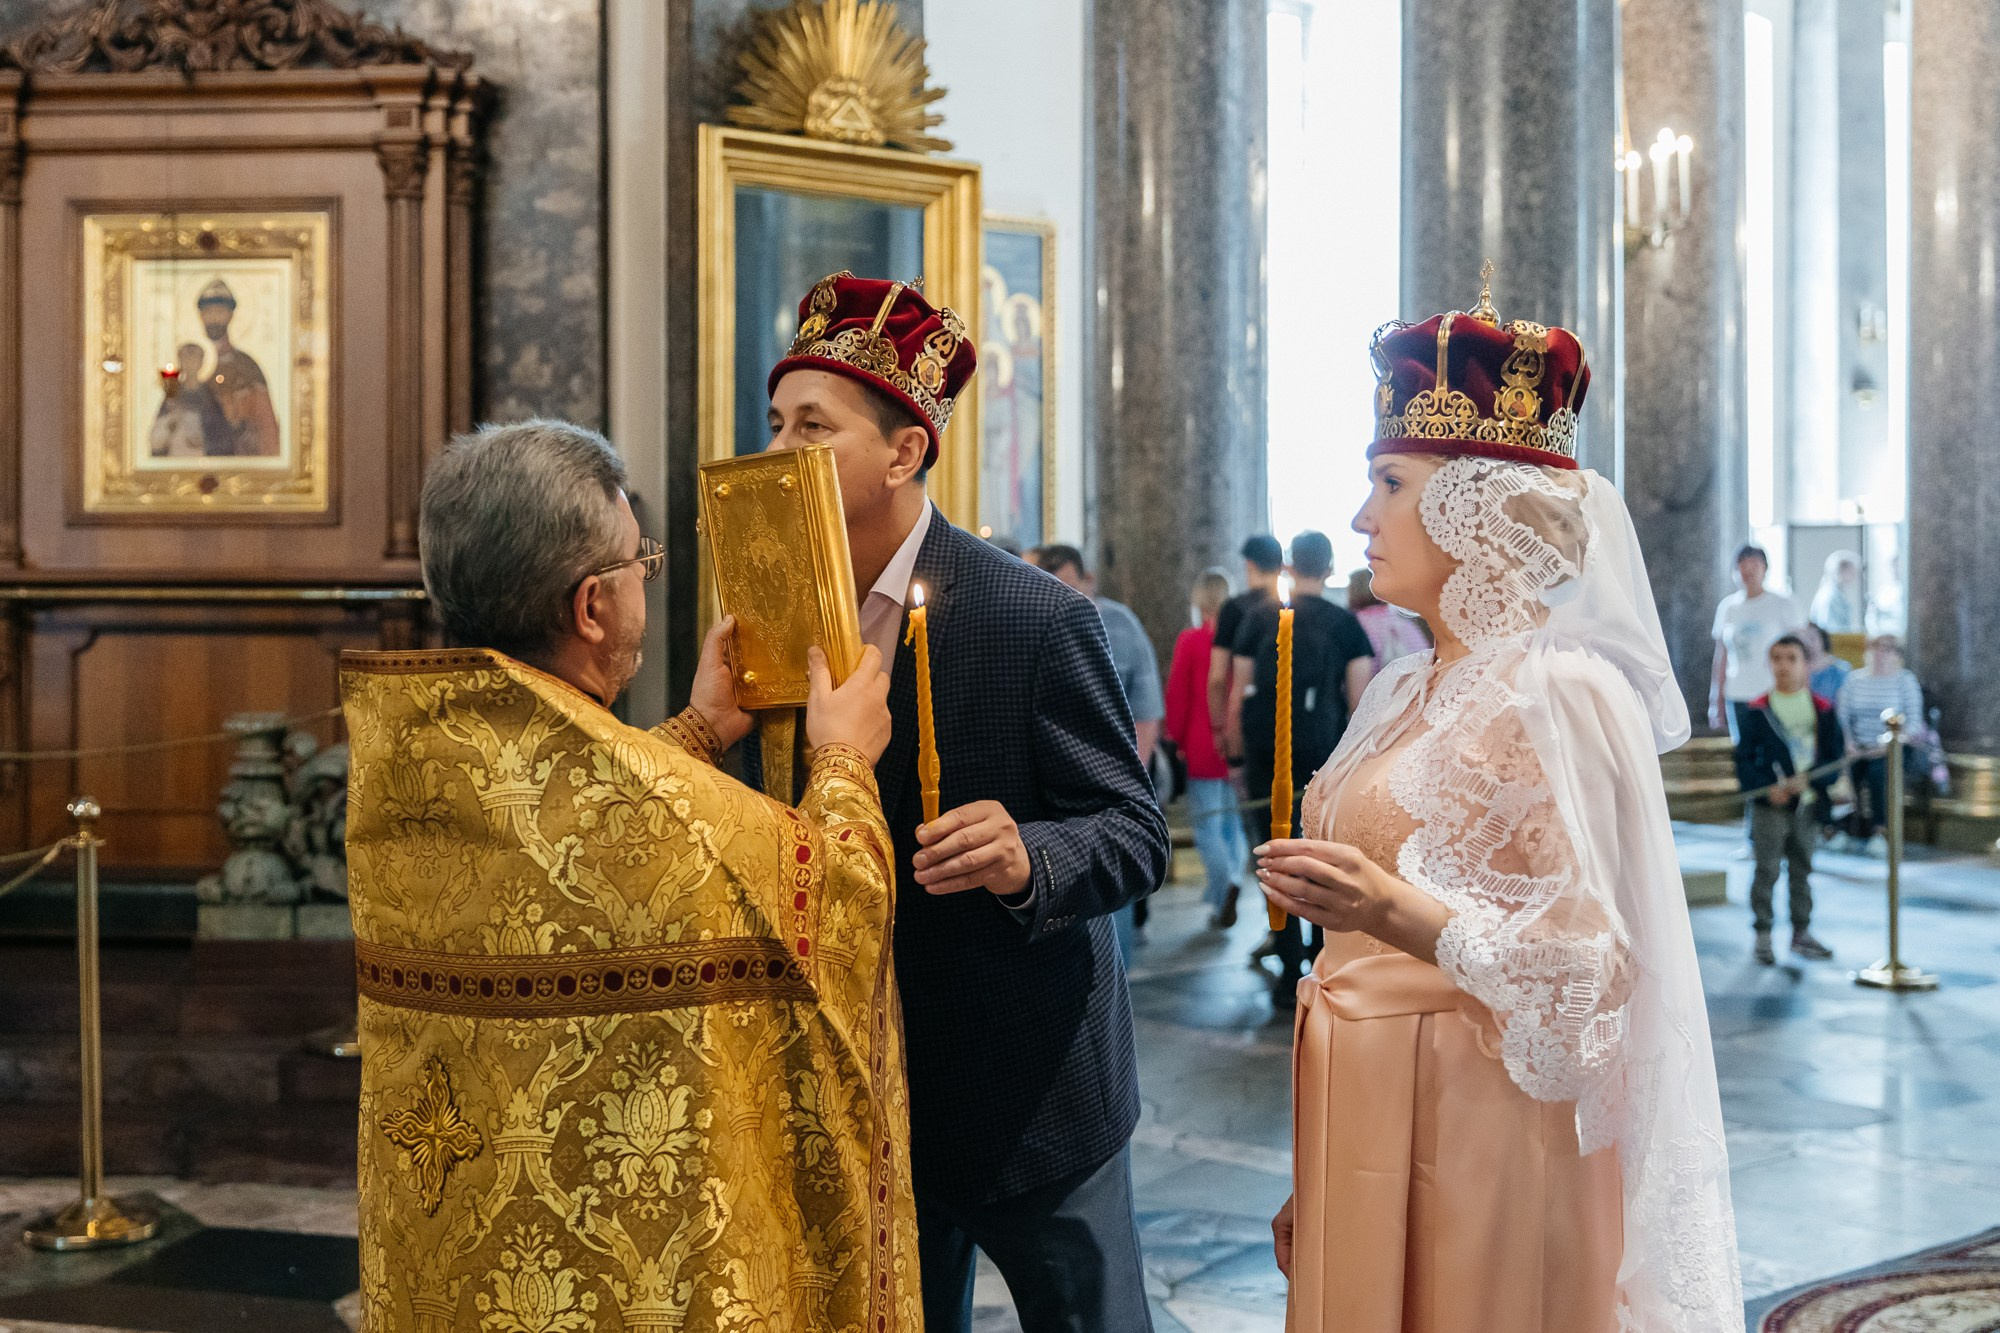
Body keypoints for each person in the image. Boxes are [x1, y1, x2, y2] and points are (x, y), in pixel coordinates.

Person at [341, 420, 919, 1327]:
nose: (646, 581)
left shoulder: (417, 763)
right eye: (639, 565)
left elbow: (567, 831)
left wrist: (694, 732)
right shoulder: (671, 820)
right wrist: (843, 762)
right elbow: (841, 900)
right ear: (590, 607)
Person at [1262, 292, 1740, 1331]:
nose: (1357, 519)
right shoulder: (1398, 685)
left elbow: (1591, 970)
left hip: (1481, 1130)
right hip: (1361, 1111)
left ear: (1473, 506)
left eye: (1387, 484)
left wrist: (1399, 916)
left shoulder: (1558, 691)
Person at [764, 271, 1170, 1333]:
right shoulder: (767, 611)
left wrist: (1029, 853)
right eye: (774, 423)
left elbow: (1132, 832)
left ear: (902, 453)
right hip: (863, 1081)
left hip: (1029, 1080)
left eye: (812, 425)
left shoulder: (1033, 617)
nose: (776, 454)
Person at [1231, 530, 1374, 1008]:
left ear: (1291, 566)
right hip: (1326, 753)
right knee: (1321, 855)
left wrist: (1233, 753)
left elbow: (1235, 691)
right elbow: (1360, 701)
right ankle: (1316, 955)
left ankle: (1288, 961)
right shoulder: (1345, 624)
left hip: (1266, 751)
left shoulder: (1255, 616)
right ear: (1329, 568)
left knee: (1276, 854)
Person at [1032, 542, 1167, 956]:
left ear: (1087, 581)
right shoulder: (1024, 618)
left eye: (1068, 586)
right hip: (1048, 783)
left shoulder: (1119, 625)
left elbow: (1146, 706)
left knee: (1112, 880)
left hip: (1113, 772)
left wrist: (1133, 776)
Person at [1735, 635, 1842, 963]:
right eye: (1777, 658)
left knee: (1802, 867)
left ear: (1805, 664)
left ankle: (1801, 931)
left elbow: (1833, 757)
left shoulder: (1822, 708)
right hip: (1771, 804)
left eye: (1791, 659)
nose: (1783, 666)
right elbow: (1744, 759)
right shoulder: (1758, 709)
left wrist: (1812, 779)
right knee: (1766, 868)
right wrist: (1767, 787)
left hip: (1807, 803)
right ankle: (1763, 934)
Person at [1166, 567, 1251, 928]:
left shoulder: (1192, 640)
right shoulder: (1242, 637)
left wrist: (1176, 739)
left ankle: (1224, 886)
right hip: (1237, 739)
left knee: (1207, 826)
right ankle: (1227, 884)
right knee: (1233, 823)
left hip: (1202, 741)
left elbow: (1178, 695)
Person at [1837, 633, 1928, 846]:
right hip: (1857, 746)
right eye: (1876, 647)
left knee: (1879, 772)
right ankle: (1847, 827)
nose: (1880, 653)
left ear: (1897, 654)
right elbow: (1843, 717)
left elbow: (1913, 724)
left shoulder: (1905, 680)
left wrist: (1885, 746)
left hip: (1893, 748)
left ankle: (1881, 831)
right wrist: (1849, 743)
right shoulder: (1854, 679)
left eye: (1887, 649)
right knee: (1848, 770)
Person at [1710, 543, 1805, 738]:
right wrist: (1716, 698)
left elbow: (1801, 651)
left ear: (1764, 569)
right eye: (1742, 566)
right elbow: (1722, 656)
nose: (1748, 572)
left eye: (1754, 566)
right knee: (1744, 752)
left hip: (1773, 690)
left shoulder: (1782, 604)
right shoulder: (1728, 608)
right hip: (1737, 691)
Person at [1210, 534, 1283, 763]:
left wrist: (1219, 727)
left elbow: (1218, 678)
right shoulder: (1293, 607)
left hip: (1249, 721)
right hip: (1297, 721)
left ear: (1249, 564)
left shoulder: (1234, 609)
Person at [193, 278, 282, 457]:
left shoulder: (247, 367)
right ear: (201, 316)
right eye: (208, 312)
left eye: (220, 311)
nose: (214, 317)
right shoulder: (189, 362)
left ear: (230, 316)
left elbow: (267, 428)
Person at [1346, 567, 1430, 665]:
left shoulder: (1354, 623)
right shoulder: (1403, 619)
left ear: (1353, 590)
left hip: (1377, 679)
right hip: (1417, 677)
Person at [1810, 548, 1866, 633]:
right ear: (1842, 571)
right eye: (1852, 571)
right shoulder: (1831, 596)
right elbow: (1831, 630)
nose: (1855, 576)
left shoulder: (1836, 594)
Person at [1805, 622, 1852, 701]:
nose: (1808, 643)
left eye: (1812, 638)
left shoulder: (1841, 668)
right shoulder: (1796, 669)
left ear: (1822, 640)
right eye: (1804, 639)